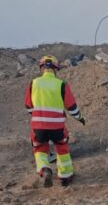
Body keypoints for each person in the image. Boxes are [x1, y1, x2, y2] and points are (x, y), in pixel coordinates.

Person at [24, 55, 84, 188]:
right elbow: (72, 107)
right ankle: (65, 177)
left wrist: (37, 114)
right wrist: (80, 118)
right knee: (62, 148)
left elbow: (28, 106)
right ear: (56, 69)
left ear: (42, 68)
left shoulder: (33, 83)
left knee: (40, 148)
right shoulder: (61, 84)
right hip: (57, 126)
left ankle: (45, 169)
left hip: (38, 126)